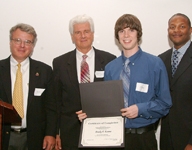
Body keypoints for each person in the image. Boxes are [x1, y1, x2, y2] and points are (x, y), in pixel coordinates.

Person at [77, 14, 172, 150]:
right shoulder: (110, 68)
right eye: (122, 31)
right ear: (117, 36)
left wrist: (140, 109)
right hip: (114, 139)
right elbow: (107, 107)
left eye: (131, 30)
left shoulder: (155, 64)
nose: (126, 35)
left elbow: (165, 104)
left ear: (138, 34)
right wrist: (89, 115)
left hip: (144, 139)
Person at [53, 14, 116, 150]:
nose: (83, 36)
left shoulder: (110, 60)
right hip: (70, 132)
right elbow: (56, 102)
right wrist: (56, 133)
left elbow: (113, 99)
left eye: (86, 31)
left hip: (102, 131)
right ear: (72, 36)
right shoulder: (60, 63)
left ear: (92, 34)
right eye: (77, 32)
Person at [0, 23, 57, 150]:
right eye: (18, 40)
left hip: (35, 138)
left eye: (27, 42)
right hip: (3, 136)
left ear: (32, 46)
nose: (22, 45)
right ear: (10, 42)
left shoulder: (45, 71)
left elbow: (51, 108)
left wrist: (50, 134)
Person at [159, 13, 192, 150]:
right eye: (172, 27)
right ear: (168, 31)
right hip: (167, 138)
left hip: (191, 139)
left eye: (182, 26)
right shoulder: (161, 60)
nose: (176, 30)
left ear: (190, 30)